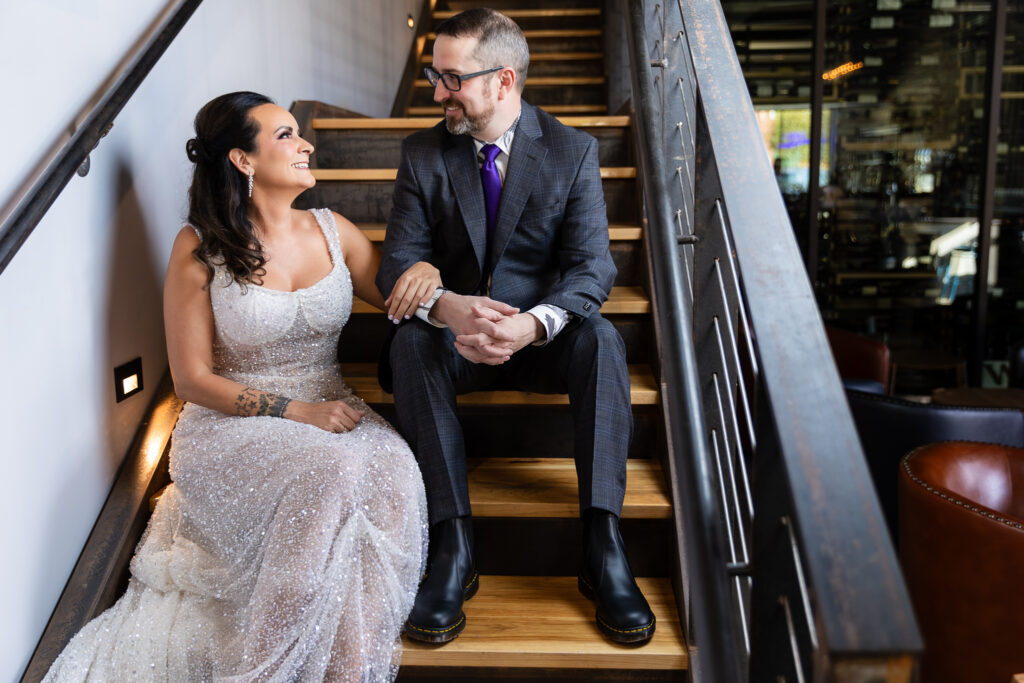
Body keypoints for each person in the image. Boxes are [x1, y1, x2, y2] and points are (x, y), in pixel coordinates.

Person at [45, 91, 438, 682]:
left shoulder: (336, 231)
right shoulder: (199, 247)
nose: (306, 143)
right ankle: (265, 668)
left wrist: (426, 272)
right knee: (329, 472)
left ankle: (348, 668)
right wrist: (295, 411)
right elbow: (192, 380)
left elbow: (404, 299)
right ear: (242, 160)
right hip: (231, 424)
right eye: (285, 135)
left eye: (298, 133)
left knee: (390, 469)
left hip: (330, 402)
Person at [376, 9, 655, 645]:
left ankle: (603, 541)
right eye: (432, 75)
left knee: (605, 339)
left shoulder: (571, 150)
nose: (437, 91)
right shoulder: (423, 153)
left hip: (539, 341)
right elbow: (395, 261)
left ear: (504, 81)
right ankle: (452, 542)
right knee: (412, 342)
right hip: (454, 340)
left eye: (451, 78)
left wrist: (532, 325)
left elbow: (592, 268)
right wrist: (445, 305)